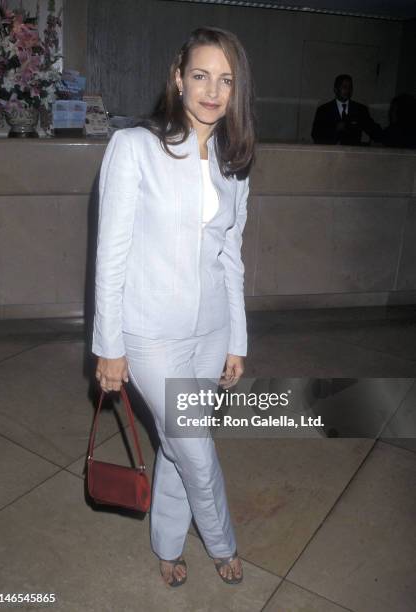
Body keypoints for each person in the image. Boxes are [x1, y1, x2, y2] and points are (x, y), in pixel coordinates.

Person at [92, 26, 256, 587]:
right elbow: (110, 255)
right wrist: (109, 346)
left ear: (237, 91)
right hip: (149, 334)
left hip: (210, 332)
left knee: (178, 443)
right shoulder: (135, 147)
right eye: (201, 75)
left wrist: (237, 338)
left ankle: (165, 544)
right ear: (178, 79)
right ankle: (222, 543)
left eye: (226, 80)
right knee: (195, 446)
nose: (213, 91)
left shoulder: (234, 164)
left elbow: (230, 257)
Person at [311, 74, 383, 145]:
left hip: (353, 154)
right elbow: (316, 135)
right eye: (344, 87)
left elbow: (373, 130)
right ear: (335, 89)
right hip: (330, 153)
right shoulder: (323, 110)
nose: (348, 90)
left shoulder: (360, 109)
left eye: (350, 87)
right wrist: (335, 129)